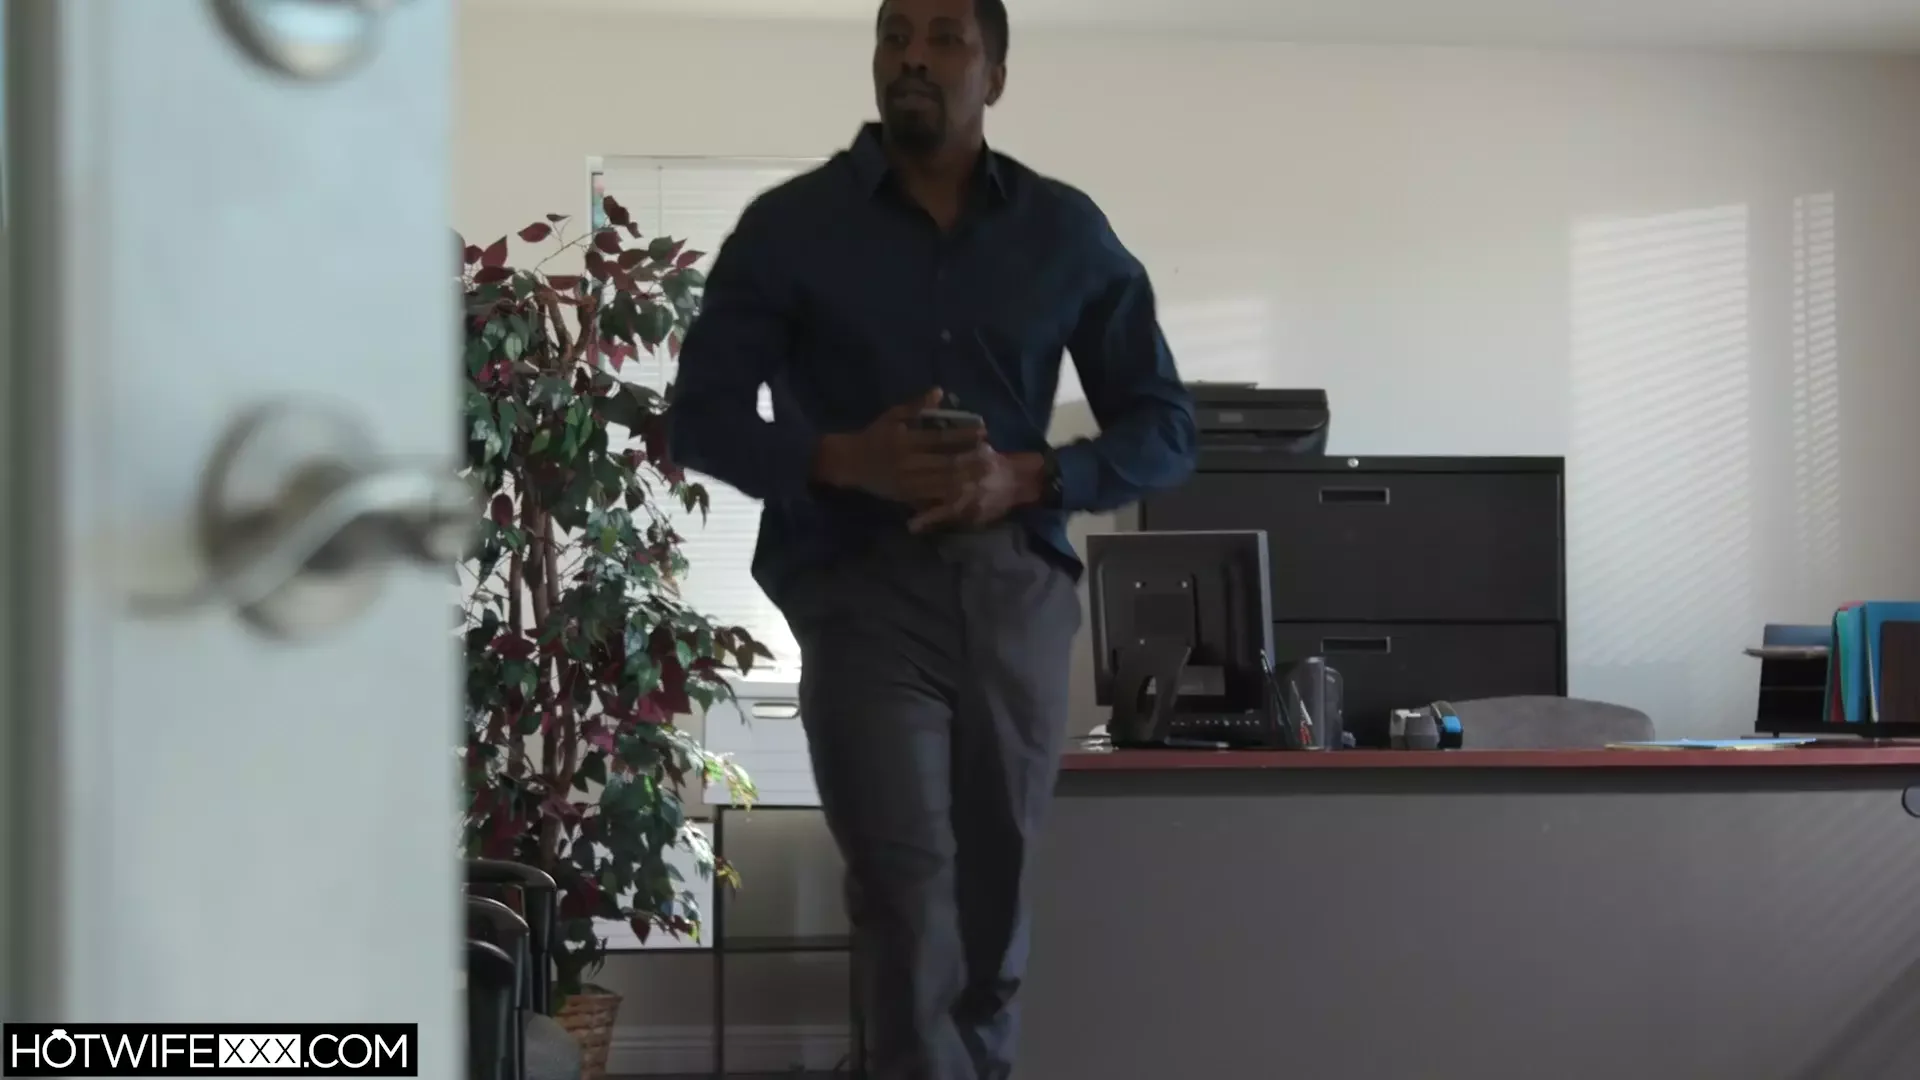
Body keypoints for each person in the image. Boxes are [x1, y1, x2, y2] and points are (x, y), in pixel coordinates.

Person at [668, 0, 1196, 1074]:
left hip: (1014, 595)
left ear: (994, 74)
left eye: (945, 37)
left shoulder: (1063, 230)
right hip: (861, 593)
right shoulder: (790, 227)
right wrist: (842, 457)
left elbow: (1165, 428)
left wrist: (1030, 476)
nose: (913, 55)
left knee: (993, 912)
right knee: (907, 898)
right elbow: (699, 417)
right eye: (895, 34)